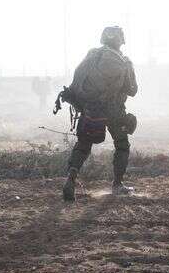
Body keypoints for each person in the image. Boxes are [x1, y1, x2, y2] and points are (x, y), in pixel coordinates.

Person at [57, 26, 138, 202]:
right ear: (121, 40)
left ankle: (70, 179)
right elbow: (132, 90)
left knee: (83, 145)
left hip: (91, 108)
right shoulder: (124, 61)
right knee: (122, 145)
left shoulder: (92, 55)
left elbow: (78, 81)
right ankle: (117, 184)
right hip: (114, 111)